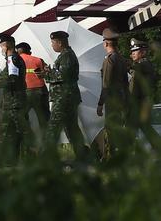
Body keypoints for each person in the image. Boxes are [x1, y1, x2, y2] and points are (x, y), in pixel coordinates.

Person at [38, 31, 88, 161]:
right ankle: (83, 157)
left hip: (63, 98)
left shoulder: (67, 56)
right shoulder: (65, 56)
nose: (52, 45)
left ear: (59, 43)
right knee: (71, 129)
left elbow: (63, 76)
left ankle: (45, 160)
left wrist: (46, 75)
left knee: (52, 128)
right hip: (67, 97)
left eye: (53, 42)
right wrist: (50, 71)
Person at [0, 33, 28, 164]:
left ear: (8, 45)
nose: (1, 48)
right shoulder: (11, 59)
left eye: (2, 45)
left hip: (14, 102)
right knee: (12, 132)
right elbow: (4, 74)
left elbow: (12, 78)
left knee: (14, 131)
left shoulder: (13, 59)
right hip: (13, 102)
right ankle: (10, 159)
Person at [96, 28, 129, 160]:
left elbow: (106, 84)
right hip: (121, 99)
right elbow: (126, 82)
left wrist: (100, 103)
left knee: (110, 129)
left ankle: (110, 158)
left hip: (112, 100)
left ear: (106, 43)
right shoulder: (121, 58)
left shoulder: (109, 60)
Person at [127, 39, 161, 151]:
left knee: (131, 127)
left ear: (143, 52)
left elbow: (134, 86)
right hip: (141, 101)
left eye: (135, 51)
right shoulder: (142, 65)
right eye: (132, 51)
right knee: (143, 126)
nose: (132, 54)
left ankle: (128, 152)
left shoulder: (143, 65)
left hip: (138, 102)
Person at [15, 42, 50, 133]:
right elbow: (48, 72)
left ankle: (29, 140)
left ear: (17, 52)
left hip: (24, 93)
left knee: (20, 117)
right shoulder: (39, 60)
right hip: (40, 91)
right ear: (29, 51)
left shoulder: (15, 61)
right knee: (44, 119)